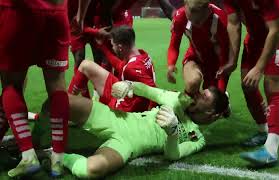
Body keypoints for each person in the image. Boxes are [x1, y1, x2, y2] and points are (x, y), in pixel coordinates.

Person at [39, 80, 228, 178]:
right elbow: (146, 90)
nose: (198, 95)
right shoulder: (179, 100)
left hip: (129, 143)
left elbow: (172, 155)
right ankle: (32, 143)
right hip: (119, 119)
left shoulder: (197, 138)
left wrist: (172, 132)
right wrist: (128, 85)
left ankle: (53, 155)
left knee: (90, 170)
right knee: (58, 101)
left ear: (212, 113)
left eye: (204, 97)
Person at [0, 0, 70, 177]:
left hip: (17, 10)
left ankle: (28, 156)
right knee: (57, 85)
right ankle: (58, 159)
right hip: (57, 10)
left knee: (12, 84)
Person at [223, 0, 279, 166]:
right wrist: (232, 60)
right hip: (256, 36)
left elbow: (277, 30)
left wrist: (259, 68)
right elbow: (234, 23)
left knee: (272, 86)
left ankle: (271, 151)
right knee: (247, 85)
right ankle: (263, 130)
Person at [68, 26, 157, 112]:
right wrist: (103, 47)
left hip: (124, 110)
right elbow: (119, 65)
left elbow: (153, 91)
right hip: (126, 96)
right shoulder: (142, 55)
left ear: (120, 47)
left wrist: (152, 114)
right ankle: (67, 102)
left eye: (113, 45)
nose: (113, 48)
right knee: (86, 65)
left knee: (89, 109)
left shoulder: (132, 69)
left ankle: (66, 106)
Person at [167, 0, 231, 97]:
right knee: (193, 83)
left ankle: (223, 98)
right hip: (194, 57)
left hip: (215, 63)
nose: (197, 24)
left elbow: (225, 56)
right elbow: (174, 45)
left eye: (199, 20)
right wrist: (171, 64)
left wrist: (220, 93)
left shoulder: (220, 19)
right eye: (191, 20)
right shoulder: (180, 16)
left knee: (211, 98)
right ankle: (189, 102)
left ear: (208, 10)